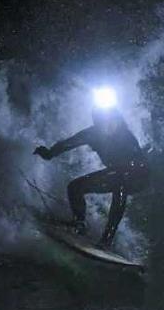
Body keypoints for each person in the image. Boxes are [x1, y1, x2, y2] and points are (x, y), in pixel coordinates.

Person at [34, 100, 149, 247]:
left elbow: (137, 161)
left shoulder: (125, 136)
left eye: (111, 121)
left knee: (120, 182)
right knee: (75, 187)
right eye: (100, 121)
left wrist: (127, 166)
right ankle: (79, 224)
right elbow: (69, 143)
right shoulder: (92, 134)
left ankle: (107, 239)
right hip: (115, 174)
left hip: (138, 176)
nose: (107, 125)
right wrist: (49, 153)